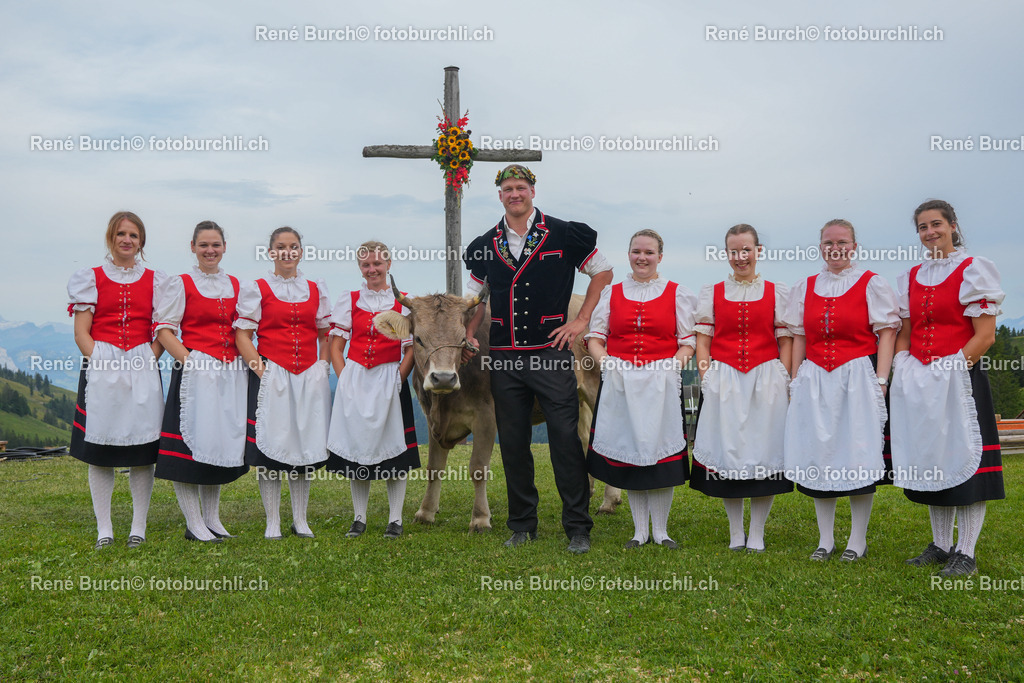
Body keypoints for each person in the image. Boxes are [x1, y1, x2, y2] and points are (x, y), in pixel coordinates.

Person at [463, 164, 613, 554]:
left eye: (521, 187)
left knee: (565, 438)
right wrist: (466, 334)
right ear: (500, 196)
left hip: (551, 353)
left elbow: (602, 271)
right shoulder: (485, 243)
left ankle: (578, 527)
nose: (515, 194)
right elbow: (477, 298)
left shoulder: (563, 233)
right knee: (513, 442)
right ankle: (522, 524)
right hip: (506, 357)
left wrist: (580, 320)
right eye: (508, 189)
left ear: (532, 191)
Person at [891, 199, 1004, 577]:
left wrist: (953, 370)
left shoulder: (974, 270)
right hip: (921, 380)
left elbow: (984, 335)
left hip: (961, 379)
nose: (930, 232)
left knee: (964, 458)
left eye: (936, 224)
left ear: (953, 225)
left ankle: (966, 552)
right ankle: (941, 544)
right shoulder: (910, 276)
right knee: (933, 459)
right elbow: (906, 333)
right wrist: (904, 365)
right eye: (922, 227)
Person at [782, 219, 900, 562]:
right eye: (829, 242)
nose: (836, 248)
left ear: (854, 246)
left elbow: (887, 333)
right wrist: (794, 379)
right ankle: (825, 539)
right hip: (816, 377)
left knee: (857, 453)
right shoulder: (805, 287)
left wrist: (881, 379)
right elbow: (800, 336)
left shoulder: (870, 283)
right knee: (821, 453)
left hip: (856, 376)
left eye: (843, 242)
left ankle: (857, 540)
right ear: (820, 246)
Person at [585, 229, 697, 549]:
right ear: (628, 255)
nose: (642, 257)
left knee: (661, 458)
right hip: (622, 385)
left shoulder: (677, 293)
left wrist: (672, 367)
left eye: (649, 252)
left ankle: (660, 531)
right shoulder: (612, 293)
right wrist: (607, 364)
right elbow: (596, 337)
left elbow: (687, 343)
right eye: (636, 251)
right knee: (632, 454)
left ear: (660, 256)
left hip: (661, 386)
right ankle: (639, 531)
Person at [67, 211, 167, 549]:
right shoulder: (91, 278)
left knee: (142, 449)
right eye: (121, 234)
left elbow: (162, 328)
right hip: (102, 366)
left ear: (141, 242)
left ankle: (138, 527)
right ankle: (104, 529)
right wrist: (100, 360)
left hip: (141, 364)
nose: (127, 240)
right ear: (111, 237)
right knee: (100, 449)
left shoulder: (156, 280)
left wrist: (149, 357)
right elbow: (82, 331)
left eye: (134, 235)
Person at [691, 224, 792, 553]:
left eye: (746, 249)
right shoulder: (713, 291)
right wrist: (707, 377)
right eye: (734, 251)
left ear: (758, 250)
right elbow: (702, 341)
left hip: (766, 378)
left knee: (764, 453)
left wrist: (785, 375)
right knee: (726, 453)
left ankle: (758, 532)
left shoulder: (778, 291)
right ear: (727, 254)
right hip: (726, 379)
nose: (740, 256)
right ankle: (736, 532)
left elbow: (786, 339)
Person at [154, 221, 248, 543]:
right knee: (188, 448)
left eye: (216, 245)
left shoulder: (235, 283)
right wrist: (191, 361)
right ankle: (194, 523)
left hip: (228, 374)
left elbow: (242, 331)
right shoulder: (180, 283)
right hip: (195, 373)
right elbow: (164, 329)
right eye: (204, 245)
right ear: (192, 247)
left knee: (217, 443)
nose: (210, 251)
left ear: (224, 248)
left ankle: (212, 519)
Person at [234, 227, 332, 540]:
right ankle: (272, 521)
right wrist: (262, 371)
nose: (287, 252)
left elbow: (325, 332)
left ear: (301, 251)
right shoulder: (258, 288)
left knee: (304, 444)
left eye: (293, 247)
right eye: (280, 247)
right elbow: (242, 335)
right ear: (271, 252)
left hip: (307, 376)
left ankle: (300, 520)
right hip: (273, 374)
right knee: (272, 447)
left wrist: (323, 365)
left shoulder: (316, 288)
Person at [326, 241, 419, 539]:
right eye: (366, 265)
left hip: (390, 379)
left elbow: (410, 350)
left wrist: (398, 379)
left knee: (395, 451)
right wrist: (345, 380)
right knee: (357, 448)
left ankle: (395, 519)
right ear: (360, 268)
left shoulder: (403, 304)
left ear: (389, 265)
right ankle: (359, 518)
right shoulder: (350, 299)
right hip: (356, 380)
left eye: (377, 264)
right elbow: (336, 346)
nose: (372, 269)